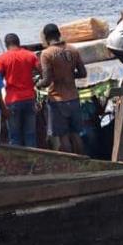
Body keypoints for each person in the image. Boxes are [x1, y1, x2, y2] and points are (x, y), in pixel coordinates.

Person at [37, 23, 87, 154]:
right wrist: (69, 75)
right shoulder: (73, 49)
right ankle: (83, 162)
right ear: (59, 34)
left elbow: (47, 81)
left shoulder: (46, 54)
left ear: (46, 38)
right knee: (76, 135)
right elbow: (83, 73)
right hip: (74, 98)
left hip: (58, 100)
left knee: (63, 137)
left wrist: (38, 84)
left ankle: (71, 166)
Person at [0, 33, 40, 147]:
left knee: (15, 136)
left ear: (6, 44)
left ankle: (18, 163)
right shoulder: (30, 55)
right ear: (19, 43)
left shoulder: (2, 58)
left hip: (12, 100)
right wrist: (35, 83)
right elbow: (43, 72)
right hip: (29, 98)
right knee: (30, 134)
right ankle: (32, 160)